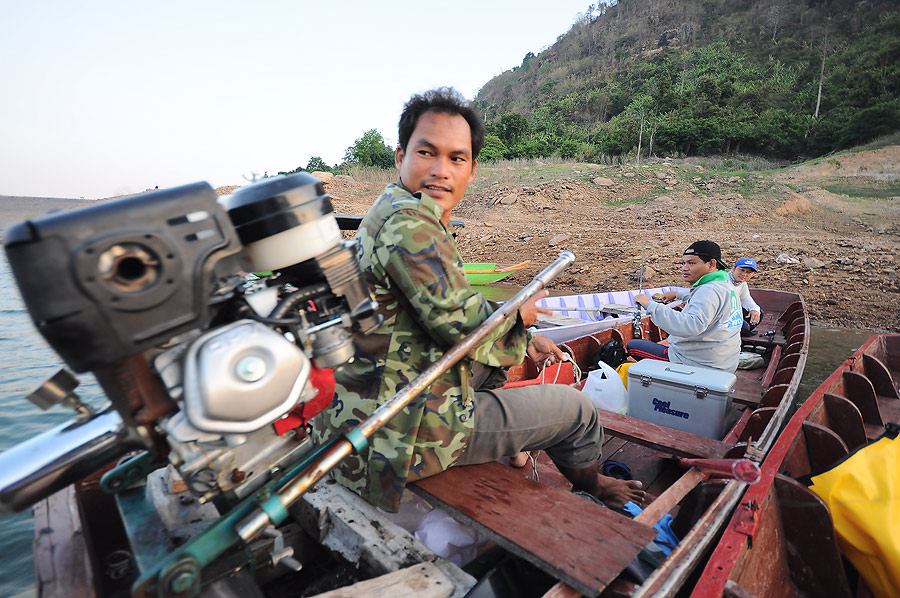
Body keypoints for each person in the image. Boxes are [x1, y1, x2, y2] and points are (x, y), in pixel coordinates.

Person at [313, 88, 644, 513]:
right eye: (427, 153)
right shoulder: (412, 228)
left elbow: (449, 309)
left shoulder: (391, 208)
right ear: (401, 157)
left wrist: (525, 338)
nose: (440, 171)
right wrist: (521, 317)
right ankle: (596, 485)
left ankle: (512, 442)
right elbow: (466, 327)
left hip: (362, 408)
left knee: (498, 363)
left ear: (471, 170)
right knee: (577, 411)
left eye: (456, 158)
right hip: (397, 436)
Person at [626, 240, 743, 373]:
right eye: (683, 263)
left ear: (711, 264)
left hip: (699, 365)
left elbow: (689, 326)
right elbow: (707, 302)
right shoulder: (725, 284)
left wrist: (649, 305)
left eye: (691, 263)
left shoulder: (709, 291)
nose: (684, 268)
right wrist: (678, 294)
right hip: (725, 362)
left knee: (633, 346)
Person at [729, 257, 762, 336]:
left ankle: (741, 334)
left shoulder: (742, 283)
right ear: (733, 269)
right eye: (742, 270)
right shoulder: (724, 282)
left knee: (758, 313)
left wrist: (754, 310)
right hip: (724, 314)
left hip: (735, 311)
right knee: (744, 327)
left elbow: (746, 299)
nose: (744, 274)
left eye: (749, 272)